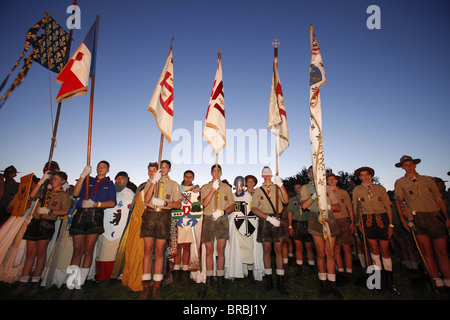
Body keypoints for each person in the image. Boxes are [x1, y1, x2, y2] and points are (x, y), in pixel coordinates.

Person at [394, 155, 450, 292]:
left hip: (435, 216)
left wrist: (447, 217)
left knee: (442, 251)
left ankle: (448, 280)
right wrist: (403, 220)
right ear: (402, 167)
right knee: (426, 251)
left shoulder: (428, 180)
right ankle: (436, 280)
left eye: (411, 164)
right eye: (406, 165)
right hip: (417, 217)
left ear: (415, 165)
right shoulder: (400, 182)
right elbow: (400, 202)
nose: (409, 166)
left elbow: (439, 199)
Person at [13, 171, 71, 297]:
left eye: (56, 179)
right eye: (52, 179)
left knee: (40, 253)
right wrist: (41, 181)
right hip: (35, 222)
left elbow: (65, 210)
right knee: (29, 253)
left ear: (63, 181)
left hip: (47, 224)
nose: (53, 181)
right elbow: (33, 196)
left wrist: (50, 211)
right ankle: (23, 282)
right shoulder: (45, 191)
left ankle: (34, 282)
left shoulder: (63, 195)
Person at [67, 161, 116, 298]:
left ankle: (80, 285)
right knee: (77, 250)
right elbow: (76, 193)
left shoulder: (109, 184)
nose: (101, 168)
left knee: (88, 250)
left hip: (95, 215)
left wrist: (96, 204)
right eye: (99, 166)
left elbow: (112, 202)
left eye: (104, 167)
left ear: (108, 170)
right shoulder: (89, 179)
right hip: (81, 214)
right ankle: (70, 284)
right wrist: (82, 176)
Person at [352, 166, 399, 295]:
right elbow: (355, 207)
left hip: (382, 218)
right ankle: (377, 281)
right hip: (367, 220)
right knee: (373, 249)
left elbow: (388, 206)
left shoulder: (380, 189)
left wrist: (390, 225)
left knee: (384, 249)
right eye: (362, 175)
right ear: (359, 177)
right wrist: (358, 222)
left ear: (371, 175)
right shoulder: (357, 190)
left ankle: (390, 283)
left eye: (367, 174)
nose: (365, 177)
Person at [141, 160, 181, 300]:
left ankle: (156, 287)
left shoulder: (173, 184)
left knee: (159, 252)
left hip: (164, 215)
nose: (163, 169)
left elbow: (178, 204)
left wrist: (165, 203)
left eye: (165, 167)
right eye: (161, 167)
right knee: (147, 251)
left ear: (169, 169)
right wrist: (153, 182)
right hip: (150, 214)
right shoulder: (151, 180)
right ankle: (145, 287)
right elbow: (146, 200)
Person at [301, 166, 341, 298]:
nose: (315, 174)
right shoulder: (305, 188)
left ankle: (333, 284)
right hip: (315, 217)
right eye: (312, 172)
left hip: (329, 218)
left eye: (318, 171)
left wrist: (327, 206)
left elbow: (338, 207)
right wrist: (314, 195)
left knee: (330, 252)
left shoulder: (328, 187)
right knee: (321, 253)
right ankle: (323, 284)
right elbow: (304, 206)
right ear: (309, 174)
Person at [251, 166, 289, 295]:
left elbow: (286, 200)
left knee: (278, 250)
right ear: (262, 175)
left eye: (269, 172)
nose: (267, 174)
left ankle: (280, 281)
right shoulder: (258, 190)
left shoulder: (277, 188)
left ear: (272, 174)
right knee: (266, 250)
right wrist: (267, 218)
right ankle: (269, 280)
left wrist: (281, 185)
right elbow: (254, 208)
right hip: (265, 220)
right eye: (264, 173)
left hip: (277, 218)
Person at [198, 164, 234, 298]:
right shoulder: (205, 187)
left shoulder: (227, 188)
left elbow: (232, 205)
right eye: (214, 171)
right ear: (211, 173)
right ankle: (208, 281)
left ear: (221, 173)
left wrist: (223, 211)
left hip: (222, 219)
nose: (216, 172)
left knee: (221, 250)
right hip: (208, 219)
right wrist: (213, 189)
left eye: (219, 170)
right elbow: (204, 204)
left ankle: (219, 281)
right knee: (209, 251)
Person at [96, 171, 135, 281]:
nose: (119, 180)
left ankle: (116, 274)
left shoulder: (130, 194)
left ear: (126, 180)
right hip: (107, 226)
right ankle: (101, 276)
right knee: (103, 251)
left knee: (118, 251)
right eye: (117, 178)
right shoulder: (110, 191)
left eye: (122, 178)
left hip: (121, 227)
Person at [226, 176, 264, 281]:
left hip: (248, 226)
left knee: (249, 249)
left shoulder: (250, 196)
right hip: (235, 227)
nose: (239, 187)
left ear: (244, 185)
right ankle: (238, 272)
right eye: (237, 185)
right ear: (234, 185)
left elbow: (255, 209)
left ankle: (250, 273)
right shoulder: (232, 197)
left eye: (241, 184)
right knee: (236, 250)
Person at [327, 173, 355, 285]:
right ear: (327, 181)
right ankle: (340, 270)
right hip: (332, 221)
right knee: (336, 248)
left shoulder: (343, 193)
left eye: (334, 179)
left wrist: (352, 222)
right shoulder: (326, 193)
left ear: (337, 181)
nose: (332, 181)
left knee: (346, 247)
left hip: (343, 220)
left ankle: (349, 271)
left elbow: (349, 207)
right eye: (329, 179)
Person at [173, 170, 200, 283]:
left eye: (190, 177)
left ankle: (184, 272)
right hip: (178, 218)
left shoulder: (196, 190)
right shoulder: (177, 189)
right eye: (186, 177)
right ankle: (176, 271)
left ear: (193, 178)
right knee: (178, 246)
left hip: (189, 219)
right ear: (183, 177)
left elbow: (198, 206)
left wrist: (198, 195)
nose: (188, 179)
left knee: (186, 246)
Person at [287, 183, 315, 276]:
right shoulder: (292, 200)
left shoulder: (308, 198)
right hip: (296, 223)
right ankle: (299, 267)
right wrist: (290, 226)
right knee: (298, 246)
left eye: (299, 187)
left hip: (307, 222)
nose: (297, 189)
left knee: (309, 247)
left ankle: (312, 266)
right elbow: (290, 213)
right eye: (295, 188)